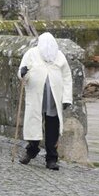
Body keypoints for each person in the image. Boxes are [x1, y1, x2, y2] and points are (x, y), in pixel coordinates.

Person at [18, 32, 73, 170]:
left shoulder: (59, 56)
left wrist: (67, 98)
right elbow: (22, 71)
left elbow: (67, 77)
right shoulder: (31, 54)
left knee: (52, 127)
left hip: (54, 98)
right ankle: (32, 149)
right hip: (36, 96)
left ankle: (51, 158)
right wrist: (22, 72)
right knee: (33, 124)